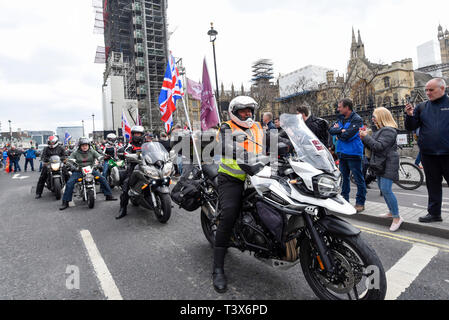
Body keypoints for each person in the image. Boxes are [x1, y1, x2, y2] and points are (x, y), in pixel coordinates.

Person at [212, 96, 292, 293]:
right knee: (229, 215)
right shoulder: (226, 127)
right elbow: (223, 145)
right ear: (234, 112)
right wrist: (242, 155)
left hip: (258, 175)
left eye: (250, 110)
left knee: (279, 202)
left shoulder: (257, 126)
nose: (247, 114)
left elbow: (272, 139)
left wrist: (291, 143)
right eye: (243, 111)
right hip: (232, 178)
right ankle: (218, 269)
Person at [405, 78, 449, 223]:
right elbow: (411, 127)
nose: (428, 93)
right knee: (433, 185)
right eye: (426, 90)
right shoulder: (421, 107)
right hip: (428, 154)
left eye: (431, 90)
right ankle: (434, 214)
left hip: (447, 153)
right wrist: (410, 115)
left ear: (442, 89)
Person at [360, 107, 403, 232]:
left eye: (374, 116)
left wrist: (366, 137)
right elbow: (373, 146)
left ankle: (397, 217)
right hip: (380, 163)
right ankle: (391, 212)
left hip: (387, 163)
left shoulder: (389, 131)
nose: (372, 119)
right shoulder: (381, 130)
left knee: (386, 189)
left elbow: (379, 146)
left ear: (381, 117)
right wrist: (364, 138)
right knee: (383, 190)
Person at [329, 98, 366, 212]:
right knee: (344, 178)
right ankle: (345, 201)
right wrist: (342, 131)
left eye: (340, 107)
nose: (338, 109)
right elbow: (331, 130)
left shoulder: (357, 119)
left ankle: (360, 203)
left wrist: (339, 132)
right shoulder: (340, 118)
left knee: (358, 178)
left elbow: (348, 135)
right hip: (341, 152)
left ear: (347, 108)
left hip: (353, 152)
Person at [60, 137, 117, 210]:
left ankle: (109, 195)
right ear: (80, 146)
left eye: (86, 145)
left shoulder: (92, 151)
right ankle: (65, 202)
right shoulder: (75, 152)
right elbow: (70, 160)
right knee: (70, 183)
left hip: (91, 169)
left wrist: (101, 160)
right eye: (83, 145)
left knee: (102, 179)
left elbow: (99, 157)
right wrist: (72, 165)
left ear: (89, 146)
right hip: (79, 170)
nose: (84, 147)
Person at [116, 126, 145, 219]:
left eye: (139, 134)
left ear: (142, 135)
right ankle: (123, 209)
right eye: (136, 133)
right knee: (126, 185)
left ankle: (165, 199)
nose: (137, 135)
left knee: (161, 177)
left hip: (147, 166)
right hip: (133, 168)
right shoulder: (130, 145)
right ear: (133, 134)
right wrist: (128, 155)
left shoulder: (146, 143)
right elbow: (125, 153)